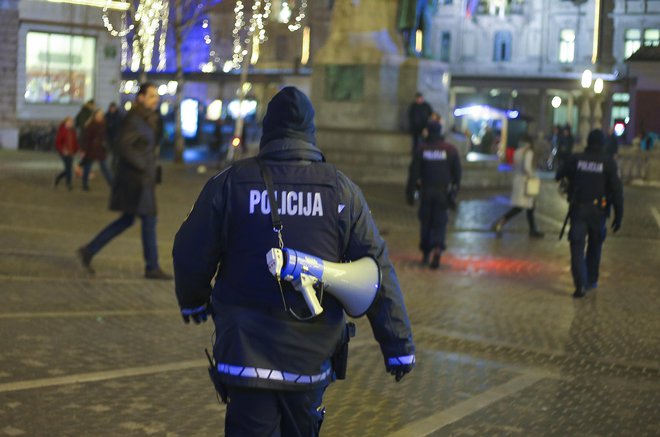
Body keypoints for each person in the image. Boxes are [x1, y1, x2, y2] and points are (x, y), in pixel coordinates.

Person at [172, 86, 415, 436]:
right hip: (310, 357)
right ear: (310, 133)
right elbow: (376, 267)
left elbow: (189, 250)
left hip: (244, 353)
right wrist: (398, 346)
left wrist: (193, 301)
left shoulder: (229, 183)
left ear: (267, 131)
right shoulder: (340, 190)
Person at [77, 83, 171, 280]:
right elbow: (122, 145)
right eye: (152, 96)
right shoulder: (134, 119)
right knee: (148, 220)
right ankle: (151, 267)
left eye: (157, 96)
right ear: (141, 98)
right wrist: (143, 166)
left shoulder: (148, 119)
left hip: (142, 180)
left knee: (128, 220)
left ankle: (89, 250)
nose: (156, 99)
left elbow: (150, 143)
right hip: (136, 180)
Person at [555, 129, 623, 298]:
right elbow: (616, 190)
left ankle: (580, 284)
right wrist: (619, 214)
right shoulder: (608, 162)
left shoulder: (576, 159)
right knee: (595, 245)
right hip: (599, 211)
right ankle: (591, 279)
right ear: (603, 144)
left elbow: (558, 175)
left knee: (577, 246)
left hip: (578, 208)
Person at [406, 120, 461, 269]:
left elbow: (413, 173)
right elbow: (457, 173)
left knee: (426, 223)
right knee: (440, 223)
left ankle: (425, 254)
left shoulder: (421, 149)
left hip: (426, 192)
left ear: (428, 131)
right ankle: (437, 250)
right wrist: (454, 192)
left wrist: (410, 193)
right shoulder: (450, 150)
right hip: (443, 193)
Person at [491, 137, 545, 238]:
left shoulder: (517, 152)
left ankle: (532, 229)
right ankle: (500, 222)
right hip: (525, 182)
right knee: (520, 207)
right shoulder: (528, 153)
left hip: (518, 180)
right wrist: (533, 176)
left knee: (530, 207)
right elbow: (527, 167)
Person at [81, 109, 113, 191]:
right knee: (87, 168)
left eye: (101, 115)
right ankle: (85, 184)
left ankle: (112, 183)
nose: (100, 116)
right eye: (98, 115)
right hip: (91, 149)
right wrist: (84, 150)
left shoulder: (103, 124)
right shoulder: (91, 125)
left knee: (105, 167)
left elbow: (106, 136)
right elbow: (86, 138)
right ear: (95, 115)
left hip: (100, 149)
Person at [53, 116, 79, 190]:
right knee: (68, 168)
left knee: (68, 168)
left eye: (71, 122)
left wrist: (76, 150)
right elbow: (58, 142)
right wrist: (62, 150)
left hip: (71, 152)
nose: (71, 123)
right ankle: (69, 183)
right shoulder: (62, 131)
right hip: (64, 153)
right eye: (69, 122)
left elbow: (75, 142)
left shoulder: (73, 131)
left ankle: (58, 178)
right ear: (65, 122)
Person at [105, 102, 122, 171]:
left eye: (113, 108)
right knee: (109, 154)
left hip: (117, 138)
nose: (112, 109)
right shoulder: (107, 116)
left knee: (115, 154)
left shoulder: (119, 116)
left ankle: (114, 167)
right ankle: (110, 167)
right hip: (109, 138)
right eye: (111, 108)